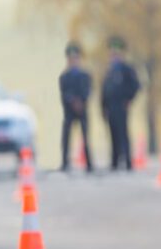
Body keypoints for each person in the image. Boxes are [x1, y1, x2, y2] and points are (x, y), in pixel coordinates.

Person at [101, 36, 141, 171]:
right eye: (112, 53)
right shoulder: (109, 70)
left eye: (116, 53)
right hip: (110, 107)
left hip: (121, 106)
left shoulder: (127, 69)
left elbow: (136, 86)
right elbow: (105, 90)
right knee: (112, 134)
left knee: (123, 133)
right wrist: (103, 107)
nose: (114, 55)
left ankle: (128, 162)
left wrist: (128, 99)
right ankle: (115, 162)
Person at [59, 42, 93, 172]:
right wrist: (73, 101)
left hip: (82, 110)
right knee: (66, 136)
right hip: (69, 111)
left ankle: (89, 163)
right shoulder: (64, 76)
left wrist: (81, 101)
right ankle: (65, 162)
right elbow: (64, 93)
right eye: (71, 58)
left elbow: (88, 91)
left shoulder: (85, 75)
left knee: (85, 136)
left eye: (75, 58)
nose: (73, 61)